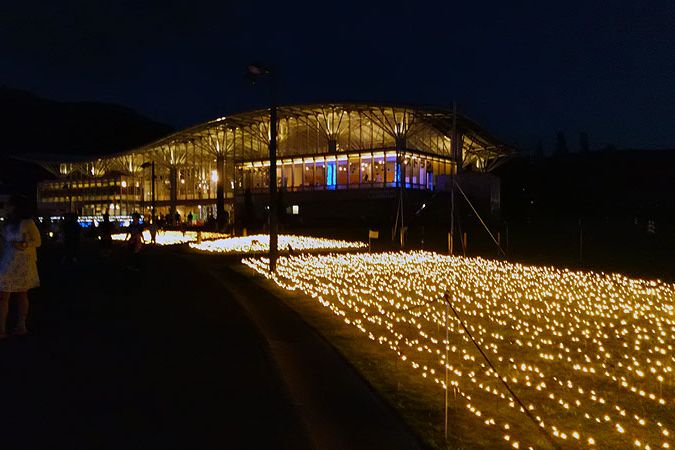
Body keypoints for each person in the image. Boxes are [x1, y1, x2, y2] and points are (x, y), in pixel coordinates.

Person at [0, 195, 41, 339]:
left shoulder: (27, 223)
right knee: (3, 295)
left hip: (22, 261)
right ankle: (2, 329)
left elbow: (37, 241)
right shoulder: (7, 223)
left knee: (21, 294)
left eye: (8, 205)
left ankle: (21, 325)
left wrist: (23, 244)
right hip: (7, 260)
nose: (5, 208)